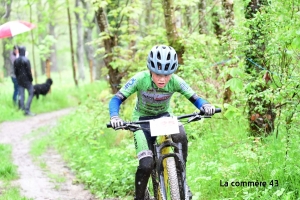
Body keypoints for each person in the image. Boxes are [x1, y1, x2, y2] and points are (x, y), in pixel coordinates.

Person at [108, 45, 215, 200]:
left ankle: (181, 179)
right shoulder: (140, 79)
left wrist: (205, 106)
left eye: (167, 75)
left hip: (164, 117)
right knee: (146, 164)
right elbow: (116, 98)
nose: (162, 79)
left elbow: (196, 98)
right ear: (150, 69)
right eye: (158, 74)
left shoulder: (176, 81)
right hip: (142, 121)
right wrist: (115, 117)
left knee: (181, 135)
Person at [14, 46, 35, 116]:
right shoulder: (26, 60)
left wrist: (18, 78)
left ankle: (22, 109)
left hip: (20, 80)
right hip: (27, 80)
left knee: (21, 95)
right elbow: (28, 71)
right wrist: (31, 79)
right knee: (31, 93)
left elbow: (15, 72)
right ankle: (27, 109)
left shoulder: (16, 61)